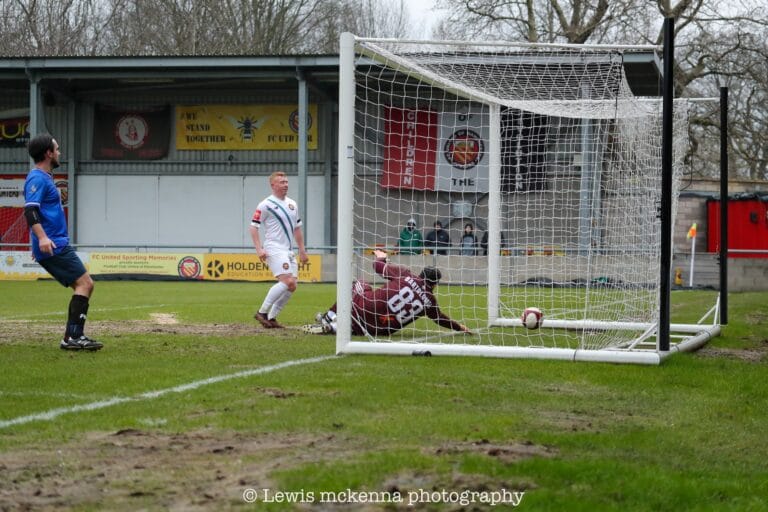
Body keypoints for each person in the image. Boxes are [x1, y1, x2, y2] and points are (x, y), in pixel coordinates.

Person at [23, 133, 103, 351]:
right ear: (48, 153)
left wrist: (38, 241)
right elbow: (30, 212)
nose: (59, 153)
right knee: (85, 284)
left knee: (84, 284)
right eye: (57, 149)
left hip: (54, 243)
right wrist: (41, 239)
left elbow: (39, 214)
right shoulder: (37, 178)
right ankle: (72, 338)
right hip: (55, 245)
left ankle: (73, 336)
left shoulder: (44, 177)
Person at [303, 250, 471, 336]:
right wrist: (460, 327)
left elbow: (377, 267)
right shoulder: (429, 302)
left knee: (360, 283)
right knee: (368, 322)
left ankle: (330, 316)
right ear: (434, 285)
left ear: (420, 274)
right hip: (381, 329)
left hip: (366, 308)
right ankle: (333, 327)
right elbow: (440, 319)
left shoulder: (406, 274)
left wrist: (381, 257)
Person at [249, 171, 309, 328]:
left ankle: (271, 318)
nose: (286, 185)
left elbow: (297, 229)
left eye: (287, 182)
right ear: (273, 185)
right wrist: (259, 249)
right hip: (274, 248)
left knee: (292, 285)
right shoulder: (265, 204)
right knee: (287, 280)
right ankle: (262, 312)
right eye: (282, 182)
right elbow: (253, 227)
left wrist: (302, 250)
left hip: (288, 250)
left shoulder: (292, 204)